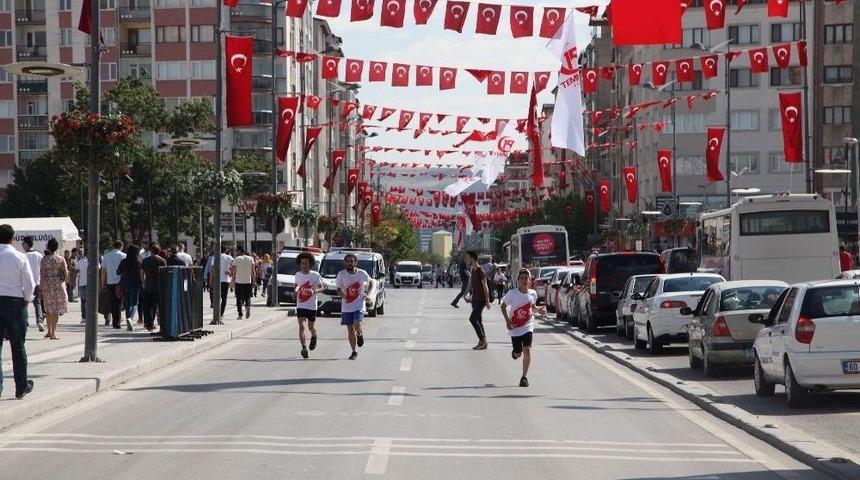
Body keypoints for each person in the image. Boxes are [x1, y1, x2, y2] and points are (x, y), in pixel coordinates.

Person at [0, 224, 36, 399]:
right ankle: (21, 386)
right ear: (13, 238)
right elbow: (29, 283)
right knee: (18, 346)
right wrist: (27, 299)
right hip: (15, 304)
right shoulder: (20, 257)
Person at [500, 269, 545, 387]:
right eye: (522, 278)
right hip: (515, 327)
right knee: (519, 353)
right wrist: (507, 321)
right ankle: (515, 353)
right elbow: (503, 306)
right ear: (518, 280)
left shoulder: (533, 293)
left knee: (527, 350)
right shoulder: (512, 293)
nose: (524, 280)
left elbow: (532, 306)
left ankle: (524, 377)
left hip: (527, 325)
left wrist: (539, 310)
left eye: (526, 278)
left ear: (530, 281)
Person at [336, 253, 373, 360]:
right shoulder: (341, 274)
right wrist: (344, 296)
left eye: (351, 261)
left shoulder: (361, 273)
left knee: (357, 324)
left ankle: (359, 335)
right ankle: (354, 351)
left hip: (359, 304)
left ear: (355, 262)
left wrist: (368, 294)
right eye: (347, 261)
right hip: (346, 306)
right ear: (345, 263)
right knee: (350, 329)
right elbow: (338, 289)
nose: (349, 263)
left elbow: (371, 282)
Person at [294, 252, 323, 359]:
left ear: (310, 264)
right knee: (301, 326)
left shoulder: (315, 275)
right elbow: (297, 286)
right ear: (300, 264)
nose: (304, 265)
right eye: (302, 263)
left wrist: (314, 291)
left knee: (311, 327)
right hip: (301, 304)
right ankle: (304, 348)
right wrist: (295, 291)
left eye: (306, 263)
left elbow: (322, 287)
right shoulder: (297, 274)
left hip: (311, 306)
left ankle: (314, 335)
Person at [39, 238, 69, 340]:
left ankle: (49, 331)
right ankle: (53, 333)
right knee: (56, 310)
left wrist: (41, 288)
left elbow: (42, 274)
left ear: (48, 247)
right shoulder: (61, 259)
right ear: (56, 248)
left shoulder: (44, 260)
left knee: (48, 309)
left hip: (47, 285)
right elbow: (66, 273)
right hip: (58, 285)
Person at [464, 251, 491, 350]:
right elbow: (471, 284)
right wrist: (466, 295)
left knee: (472, 319)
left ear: (472, 259)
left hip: (481, 300)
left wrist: (487, 300)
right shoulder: (473, 271)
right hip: (475, 299)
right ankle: (483, 342)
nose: (467, 260)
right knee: (478, 320)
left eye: (468, 258)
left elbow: (485, 286)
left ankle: (482, 340)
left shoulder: (480, 271)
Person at [140, 243, 166, 332]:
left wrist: (143, 282)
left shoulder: (145, 260)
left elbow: (142, 272)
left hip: (148, 285)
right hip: (159, 286)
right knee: (159, 305)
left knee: (148, 306)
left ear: (151, 251)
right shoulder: (162, 260)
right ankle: (162, 324)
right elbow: (164, 273)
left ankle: (149, 324)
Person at [21, 236, 44, 331]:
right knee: (37, 303)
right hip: (37, 282)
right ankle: (39, 321)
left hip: (26, 283)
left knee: (25, 304)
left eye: (23, 243)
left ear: (27, 244)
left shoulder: (23, 256)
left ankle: (25, 322)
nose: (22, 245)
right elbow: (42, 270)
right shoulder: (39, 255)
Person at [116, 245, 142, 331]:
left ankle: (128, 319)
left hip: (125, 284)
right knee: (135, 303)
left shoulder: (123, 262)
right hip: (135, 284)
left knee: (127, 303)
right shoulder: (138, 263)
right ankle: (130, 318)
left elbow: (118, 272)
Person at [101, 241, 126, 328]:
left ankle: (115, 321)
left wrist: (102, 284)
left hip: (110, 282)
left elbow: (103, 271)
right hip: (120, 283)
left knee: (112, 302)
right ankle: (117, 322)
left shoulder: (106, 256)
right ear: (121, 246)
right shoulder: (123, 256)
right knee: (119, 302)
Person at [230, 246, 255, 319]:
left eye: (237, 251)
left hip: (239, 281)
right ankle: (247, 306)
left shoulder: (237, 259)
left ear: (239, 251)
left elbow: (233, 270)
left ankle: (240, 314)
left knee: (239, 298)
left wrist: (232, 277)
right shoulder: (251, 258)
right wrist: (254, 281)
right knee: (247, 296)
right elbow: (253, 271)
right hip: (248, 280)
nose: (236, 252)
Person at [209, 246, 233, 317]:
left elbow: (212, 270)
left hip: (217, 280)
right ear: (225, 250)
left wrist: (211, 280)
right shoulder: (229, 257)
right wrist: (230, 272)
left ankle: (216, 313)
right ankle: (221, 313)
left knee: (217, 297)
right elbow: (233, 267)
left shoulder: (214, 257)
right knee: (224, 297)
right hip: (226, 280)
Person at [76, 250, 94, 324]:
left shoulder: (80, 262)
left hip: (82, 283)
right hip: (92, 284)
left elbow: (77, 271)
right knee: (91, 301)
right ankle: (91, 316)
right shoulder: (94, 261)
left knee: (83, 301)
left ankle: (84, 317)